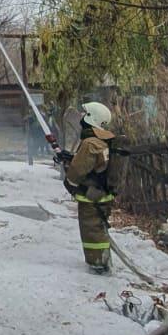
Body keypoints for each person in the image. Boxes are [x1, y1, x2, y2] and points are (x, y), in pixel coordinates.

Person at [58, 102, 121, 274]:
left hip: (91, 197)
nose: (82, 119)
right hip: (102, 194)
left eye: (85, 115)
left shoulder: (90, 143)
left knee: (92, 231)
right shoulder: (103, 141)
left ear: (91, 119)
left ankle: (98, 264)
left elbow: (78, 170)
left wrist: (69, 183)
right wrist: (70, 157)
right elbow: (95, 166)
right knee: (99, 228)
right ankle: (102, 260)